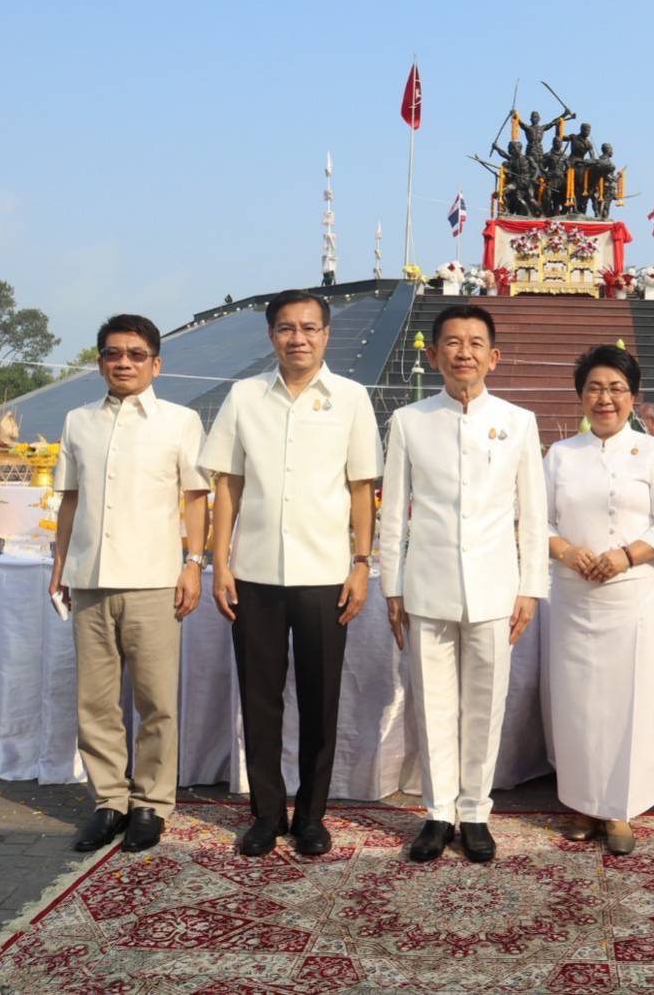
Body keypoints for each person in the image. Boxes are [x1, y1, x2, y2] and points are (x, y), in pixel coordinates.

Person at [199, 291, 381, 858]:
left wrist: (361, 563)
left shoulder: (350, 398)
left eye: (308, 328)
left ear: (326, 334)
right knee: (260, 699)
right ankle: (266, 813)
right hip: (254, 573)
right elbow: (227, 484)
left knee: (321, 700)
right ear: (271, 335)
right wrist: (219, 561)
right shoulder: (244, 396)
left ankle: (312, 815)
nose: (297, 338)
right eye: (285, 328)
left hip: (325, 574)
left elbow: (361, 489)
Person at [379, 304, 547, 864]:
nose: (464, 353)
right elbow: (393, 513)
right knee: (431, 705)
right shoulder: (409, 421)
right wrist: (392, 588)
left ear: (493, 357)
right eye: (452, 342)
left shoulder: (518, 421)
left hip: (496, 588)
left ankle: (475, 811)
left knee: (485, 704)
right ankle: (438, 812)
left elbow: (533, 512)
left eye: (476, 343)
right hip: (427, 585)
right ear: (433, 355)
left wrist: (530, 586)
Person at [50, 314, 210, 854]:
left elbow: (195, 497)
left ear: (156, 364)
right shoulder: (78, 422)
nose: (124, 363)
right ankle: (109, 801)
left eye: (136, 354)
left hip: (154, 580)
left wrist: (193, 563)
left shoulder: (180, 421)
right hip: (91, 578)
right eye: (113, 354)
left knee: (155, 700)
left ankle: (151, 803)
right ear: (100, 362)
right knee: (95, 701)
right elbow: (70, 499)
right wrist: (60, 563)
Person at [544, 346, 654, 854]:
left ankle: (621, 808)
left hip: (634, 596)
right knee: (578, 702)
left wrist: (627, 555)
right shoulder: (561, 455)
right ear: (581, 396)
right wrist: (567, 552)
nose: (605, 399)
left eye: (616, 389)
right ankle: (583, 802)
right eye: (594, 389)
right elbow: (537, 521)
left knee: (631, 701)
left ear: (633, 396)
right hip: (575, 596)